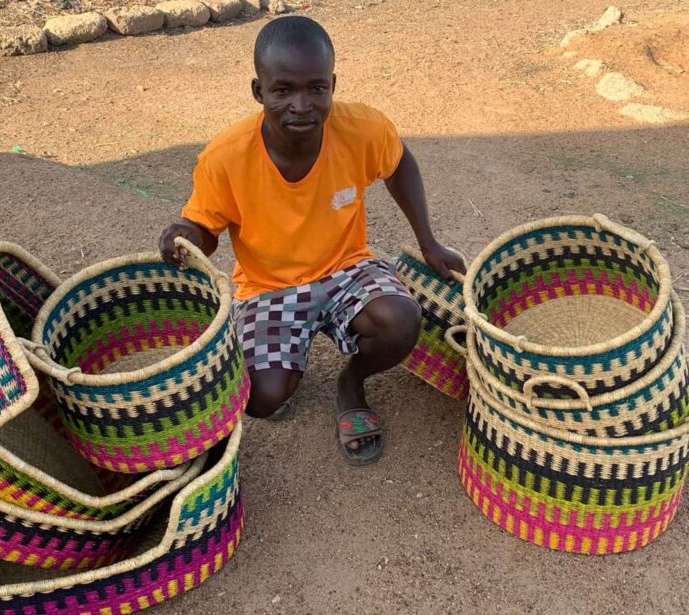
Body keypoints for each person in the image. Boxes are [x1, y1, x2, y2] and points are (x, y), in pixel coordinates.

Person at [159, 15, 465, 465]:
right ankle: (285, 360)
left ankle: (351, 383)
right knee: (262, 399)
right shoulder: (225, 158)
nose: (301, 104)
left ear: (333, 85)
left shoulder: (362, 128)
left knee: (401, 319)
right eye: (283, 90)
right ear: (258, 91)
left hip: (347, 268)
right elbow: (205, 233)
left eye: (316, 88)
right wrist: (185, 236)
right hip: (269, 287)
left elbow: (399, 165)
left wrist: (429, 242)